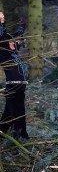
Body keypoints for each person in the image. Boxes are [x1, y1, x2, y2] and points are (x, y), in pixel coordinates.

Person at [0, 11, 29, 140]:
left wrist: (22, 27)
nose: (3, 17)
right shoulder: (2, 44)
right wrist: (1, 22)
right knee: (16, 113)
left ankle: (7, 134)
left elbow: (15, 37)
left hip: (21, 84)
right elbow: (2, 35)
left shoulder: (9, 44)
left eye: (3, 16)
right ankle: (21, 135)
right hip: (13, 84)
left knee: (11, 113)